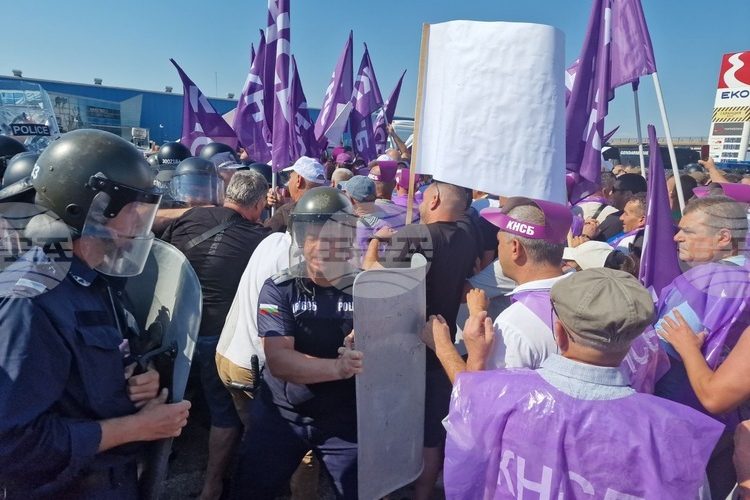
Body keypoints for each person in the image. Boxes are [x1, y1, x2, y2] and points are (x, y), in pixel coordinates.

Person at [0, 129, 190, 498]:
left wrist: (139, 377)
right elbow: (12, 443)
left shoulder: (92, 277)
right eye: (134, 212)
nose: (139, 226)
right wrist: (137, 427)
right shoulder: (30, 301)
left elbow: (96, 362)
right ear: (91, 210)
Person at [440, 269, 723, 499]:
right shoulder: (673, 434)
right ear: (631, 342)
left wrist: (456, 351)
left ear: (559, 333)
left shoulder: (504, 394)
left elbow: (468, 429)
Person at [232, 187, 363, 500]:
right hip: (282, 413)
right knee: (250, 490)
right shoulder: (277, 289)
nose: (319, 247)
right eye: (311, 236)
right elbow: (279, 359)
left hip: (344, 418)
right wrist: (340, 367)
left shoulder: (365, 289)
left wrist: (370, 339)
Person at [364, 181, 478, 500]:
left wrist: (376, 241)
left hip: (402, 351)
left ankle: (385, 491)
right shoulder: (467, 236)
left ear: (435, 199)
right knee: (430, 435)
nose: (421, 204)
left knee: (391, 426)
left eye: (424, 198)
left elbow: (374, 276)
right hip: (440, 347)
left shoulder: (415, 235)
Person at [161, 170, 271, 500]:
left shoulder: (190, 217)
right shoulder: (261, 240)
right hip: (217, 338)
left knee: (166, 399)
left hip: (171, 332)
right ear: (259, 204)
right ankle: (212, 487)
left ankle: (154, 467)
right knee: (224, 413)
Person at [654, 195, 750, 497]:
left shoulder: (704, 283)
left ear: (723, 237)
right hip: (733, 423)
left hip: (684, 417)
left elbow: (659, 347)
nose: (676, 237)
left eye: (688, 231)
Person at [265, 156, 326, 233]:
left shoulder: (285, 211)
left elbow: (264, 234)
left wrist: (261, 206)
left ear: (298, 180)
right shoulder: (331, 211)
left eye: (290, 177)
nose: (289, 182)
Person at [584, 173, 647, 242]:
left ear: (628, 194)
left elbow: (595, 248)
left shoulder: (614, 221)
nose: (610, 193)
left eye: (614, 190)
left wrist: (586, 236)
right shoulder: (651, 229)